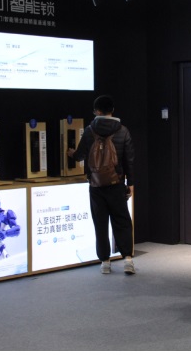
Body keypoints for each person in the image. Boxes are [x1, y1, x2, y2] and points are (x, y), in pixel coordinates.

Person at [68, 95, 136, 275]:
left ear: (97, 111)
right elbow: (129, 160)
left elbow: (80, 155)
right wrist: (130, 183)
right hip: (117, 184)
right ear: (112, 110)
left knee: (100, 223)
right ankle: (128, 260)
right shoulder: (123, 131)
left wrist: (71, 153)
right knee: (122, 221)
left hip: (96, 185)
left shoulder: (90, 131)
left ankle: (105, 262)